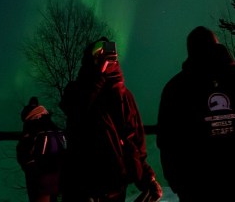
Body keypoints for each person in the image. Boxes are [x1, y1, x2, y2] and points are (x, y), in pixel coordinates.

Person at [157, 26, 235, 202]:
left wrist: (176, 182)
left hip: (196, 190)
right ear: (217, 45)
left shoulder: (176, 88)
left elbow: (167, 140)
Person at [59, 37, 163, 202]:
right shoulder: (76, 90)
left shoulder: (124, 96)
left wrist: (147, 178)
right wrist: (97, 76)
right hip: (82, 189)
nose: (106, 59)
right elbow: (77, 113)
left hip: (115, 189)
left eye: (110, 54)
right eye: (100, 54)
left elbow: (133, 141)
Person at [16, 97, 63, 202]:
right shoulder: (53, 126)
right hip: (55, 177)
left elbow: (23, 152)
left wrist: (32, 170)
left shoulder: (31, 127)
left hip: (41, 179)